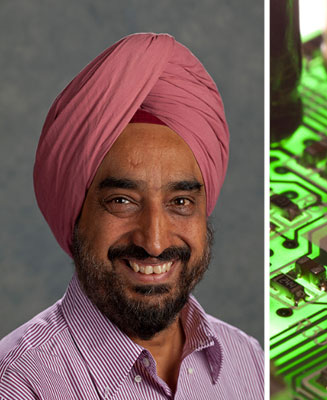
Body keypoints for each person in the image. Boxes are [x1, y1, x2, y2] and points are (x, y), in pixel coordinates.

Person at [0, 33, 264, 399]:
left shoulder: (248, 359)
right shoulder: (18, 384)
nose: (154, 241)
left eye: (181, 202)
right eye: (122, 201)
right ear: (76, 214)